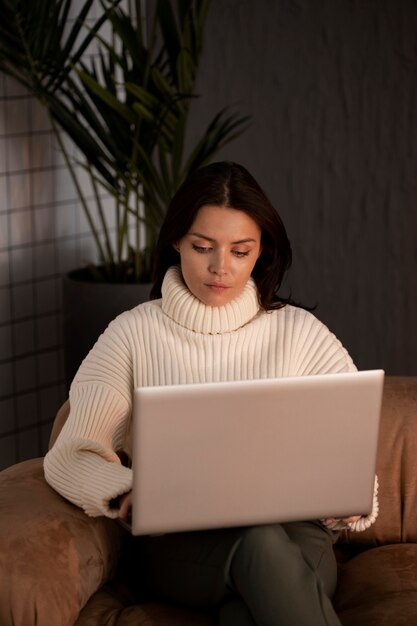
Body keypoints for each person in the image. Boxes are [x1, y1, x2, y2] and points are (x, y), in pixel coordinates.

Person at [44, 161, 379, 626]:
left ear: (261, 252)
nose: (221, 268)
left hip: (297, 534)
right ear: (176, 240)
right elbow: (69, 455)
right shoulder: (131, 335)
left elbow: (352, 454)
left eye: (241, 251)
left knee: (248, 607)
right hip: (181, 542)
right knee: (259, 546)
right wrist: (130, 486)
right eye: (203, 247)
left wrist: (351, 501)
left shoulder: (301, 334)